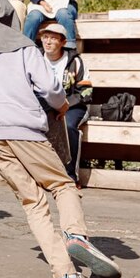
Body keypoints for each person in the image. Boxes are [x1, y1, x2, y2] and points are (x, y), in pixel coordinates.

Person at [0, 0, 121, 278]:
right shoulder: (23, 45)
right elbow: (51, 89)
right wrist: (62, 105)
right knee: (62, 185)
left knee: (32, 202)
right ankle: (76, 235)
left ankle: (66, 277)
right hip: (24, 128)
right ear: (8, 15)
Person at [38, 22, 92, 183]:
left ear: (62, 42)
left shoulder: (75, 61)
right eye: (45, 37)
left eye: (53, 38)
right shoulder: (36, 59)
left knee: (67, 126)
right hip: (43, 105)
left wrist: (65, 105)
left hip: (74, 106)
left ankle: (70, 176)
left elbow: (86, 92)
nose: (48, 42)